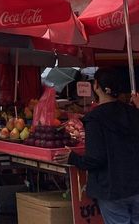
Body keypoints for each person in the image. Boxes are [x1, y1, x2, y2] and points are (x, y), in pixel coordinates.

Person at [54, 68, 139, 224]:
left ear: (96, 86)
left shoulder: (95, 119)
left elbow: (95, 158)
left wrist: (73, 158)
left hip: (112, 189)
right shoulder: (133, 113)